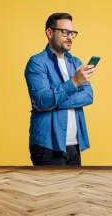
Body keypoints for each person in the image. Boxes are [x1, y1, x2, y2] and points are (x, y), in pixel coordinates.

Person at [24, 13, 96, 166]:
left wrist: (54, 103)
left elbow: (88, 96)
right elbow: (43, 100)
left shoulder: (76, 62)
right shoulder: (37, 63)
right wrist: (75, 82)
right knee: (51, 190)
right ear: (49, 33)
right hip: (47, 146)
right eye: (65, 32)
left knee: (74, 190)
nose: (70, 37)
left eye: (72, 33)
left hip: (74, 144)